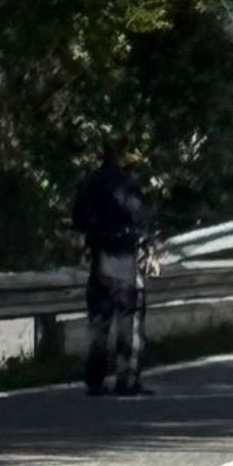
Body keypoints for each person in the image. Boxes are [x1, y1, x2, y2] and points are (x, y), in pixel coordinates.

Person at [72, 138, 150, 396]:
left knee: (99, 320)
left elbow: (78, 219)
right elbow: (139, 218)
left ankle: (95, 380)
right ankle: (126, 379)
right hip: (124, 258)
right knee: (128, 318)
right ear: (121, 156)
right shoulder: (128, 185)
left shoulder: (89, 184)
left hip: (99, 256)